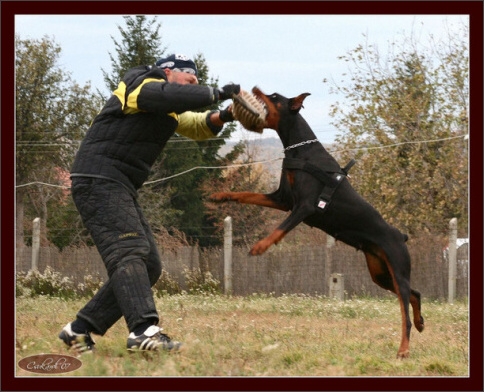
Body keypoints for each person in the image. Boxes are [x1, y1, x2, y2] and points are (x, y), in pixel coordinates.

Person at [58, 53, 240, 353]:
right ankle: (143, 331)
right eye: (190, 79)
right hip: (97, 178)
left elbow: (196, 125)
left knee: (150, 265)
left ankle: (78, 330)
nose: (194, 85)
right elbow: (160, 94)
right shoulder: (140, 82)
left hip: (118, 184)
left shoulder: (168, 107)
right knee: (129, 251)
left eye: (197, 82)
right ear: (168, 72)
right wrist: (217, 93)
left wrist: (227, 114)